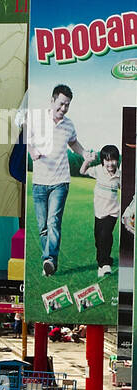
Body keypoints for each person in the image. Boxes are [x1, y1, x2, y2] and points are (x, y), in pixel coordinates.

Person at [26, 83, 89, 276]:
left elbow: (73, 143)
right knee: (43, 227)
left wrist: (85, 153)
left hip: (60, 181)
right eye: (61, 104)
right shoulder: (36, 120)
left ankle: (49, 260)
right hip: (39, 182)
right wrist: (32, 151)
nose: (63, 109)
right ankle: (49, 261)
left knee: (53, 222)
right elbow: (26, 140)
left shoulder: (69, 124)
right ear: (52, 100)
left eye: (67, 105)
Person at [80, 145, 121, 277]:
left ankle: (105, 264)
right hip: (99, 212)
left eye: (113, 159)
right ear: (103, 161)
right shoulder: (98, 170)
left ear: (117, 160)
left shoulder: (119, 175)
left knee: (106, 235)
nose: (110, 163)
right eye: (107, 160)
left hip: (113, 212)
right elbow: (82, 171)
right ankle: (103, 262)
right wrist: (88, 161)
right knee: (98, 239)